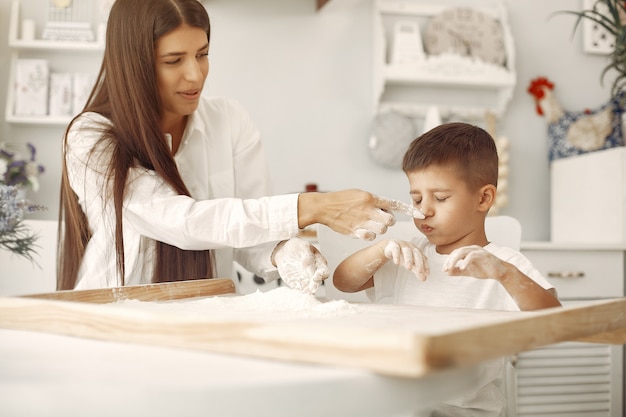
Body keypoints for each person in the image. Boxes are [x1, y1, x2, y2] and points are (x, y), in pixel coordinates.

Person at [57, 0, 421, 293]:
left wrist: (282, 250)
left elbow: (248, 234)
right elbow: (178, 221)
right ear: (133, 65)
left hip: (207, 315)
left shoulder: (229, 121)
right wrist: (309, 207)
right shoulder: (90, 138)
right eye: (173, 61)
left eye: (202, 54)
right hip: (111, 319)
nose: (195, 75)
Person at [333, 122, 561, 416]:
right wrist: (380, 251)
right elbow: (343, 282)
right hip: (403, 402)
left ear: (483, 198)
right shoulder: (408, 255)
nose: (424, 210)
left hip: (466, 409)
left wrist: (505, 274)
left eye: (440, 198)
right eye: (416, 199)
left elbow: (553, 321)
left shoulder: (503, 265)